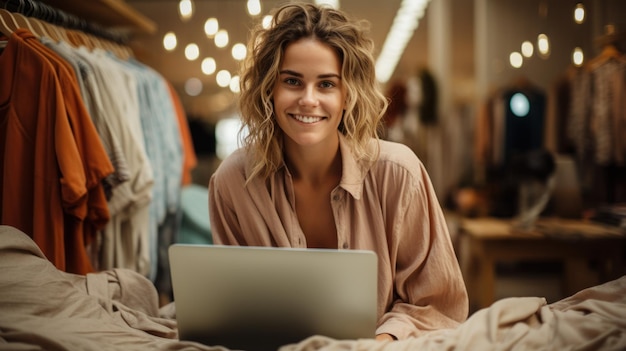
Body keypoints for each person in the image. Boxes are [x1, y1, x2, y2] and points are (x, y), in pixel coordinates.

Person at [208, 2, 468, 341]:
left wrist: (379, 343)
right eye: (292, 81)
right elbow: (234, 305)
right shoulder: (232, 182)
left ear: (348, 94)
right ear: (269, 89)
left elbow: (439, 304)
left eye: (327, 84)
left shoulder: (399, 175)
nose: (308, 99)